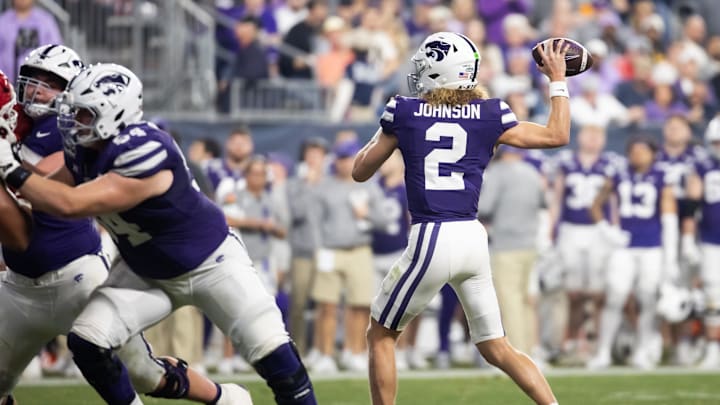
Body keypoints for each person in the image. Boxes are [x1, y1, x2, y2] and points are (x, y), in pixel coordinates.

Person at [0, 63, 315, 405]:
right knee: (88, 341)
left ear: (113, 113)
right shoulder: (87, 148)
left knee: (278, 362)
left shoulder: (144, 149)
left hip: (211, 263)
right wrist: (10, 153)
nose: (74, 121)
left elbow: (70, 204)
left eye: (84, 114)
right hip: (144, 270)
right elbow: (47, 189)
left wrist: (8, 165)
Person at [352, 32, 569, 405]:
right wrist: (558, 81)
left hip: (432, 235)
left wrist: (391, 126)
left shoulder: (404, 111)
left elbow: (360, 170)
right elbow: (557, 135)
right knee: (496, 346)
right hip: (472, 237)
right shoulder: (490, 114)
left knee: (381, 333)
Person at [586, 136, 678, 370]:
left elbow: (669, 216)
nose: (637, 155)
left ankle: (643, 351)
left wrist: (671, 255)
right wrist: (606, 230)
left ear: (652, 153)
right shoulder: (618, 173)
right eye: (633, 151)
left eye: (642, 151)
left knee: (647, 299)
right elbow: (595, 205)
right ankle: (603, 352)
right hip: (623, 246)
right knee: (615, 296)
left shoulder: (661, 176)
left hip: (651, 247)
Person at [550, 124, 616, 359]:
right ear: (579, 137)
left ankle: (596, 343)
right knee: (574, 292)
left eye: (598, 134)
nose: (593, 138)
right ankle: (570, 341)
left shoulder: (609, 164)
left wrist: (614, 228)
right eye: (589, 133)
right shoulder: (567, 163)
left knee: (598, 293)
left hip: (598, 231)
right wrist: (551, 230)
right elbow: (557, 200)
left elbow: (613, 202)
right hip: (571, 229)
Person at [686, 116, 720, 368]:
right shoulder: (702, 166)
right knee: (713, 296)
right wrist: (688, 238)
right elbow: (691, 203)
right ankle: (712, 349)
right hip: (711, 239)